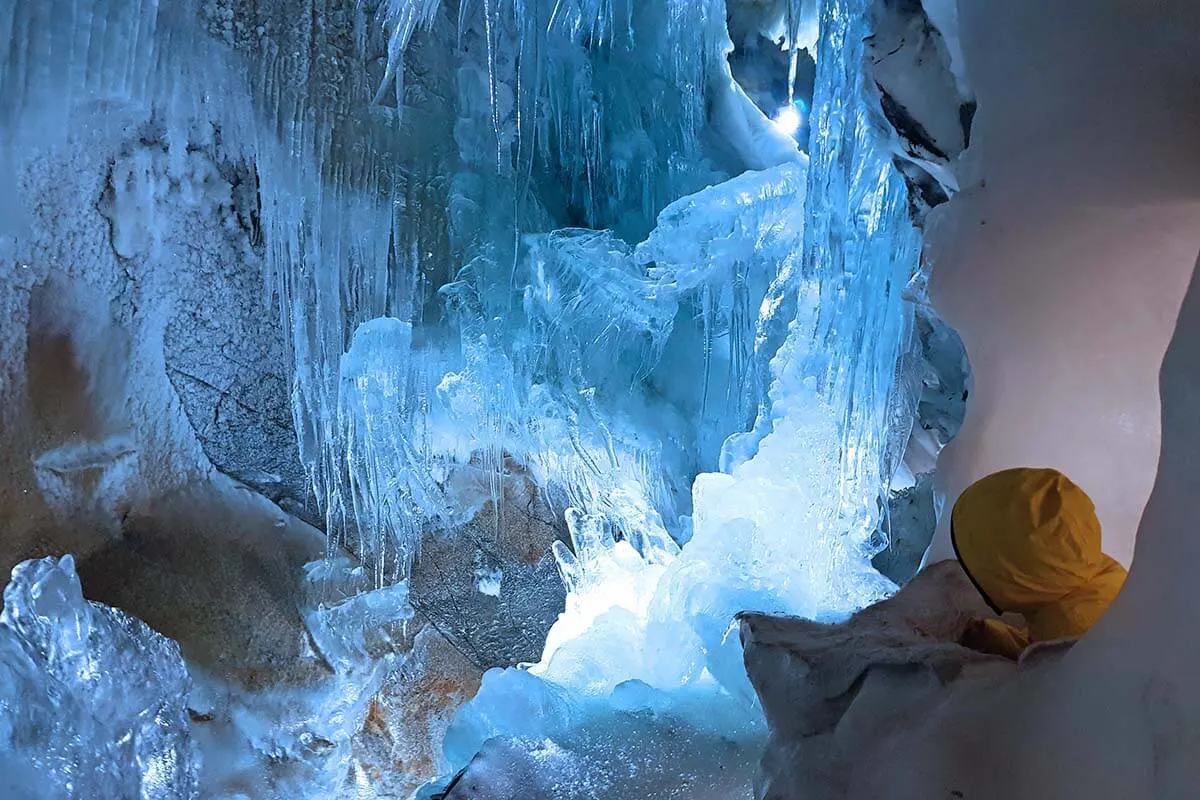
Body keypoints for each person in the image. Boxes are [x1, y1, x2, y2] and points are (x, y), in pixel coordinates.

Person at [950, 467, 1128, 659]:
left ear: (1010, 572)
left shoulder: (1069, 646)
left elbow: (1047, 666)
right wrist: (997, 639)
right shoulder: (1095, 574)